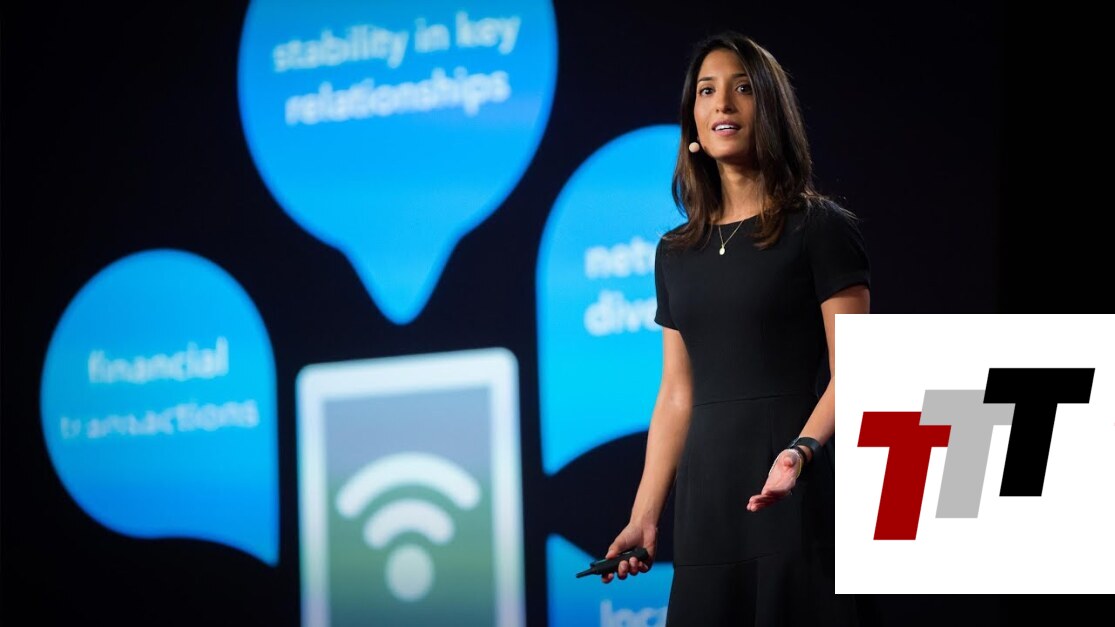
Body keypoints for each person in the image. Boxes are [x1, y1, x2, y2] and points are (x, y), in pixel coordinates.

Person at [600, 31, 870, 626]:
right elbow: (677, 394)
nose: (723, 102)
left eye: (742, 88)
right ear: (693, 121)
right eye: (707, 90)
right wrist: (645, 516)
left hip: (797, 494)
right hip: (707, 508)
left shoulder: (819, 228)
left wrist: (801, 452)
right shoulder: (675, 252)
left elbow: (859, 372)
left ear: (769, 108)